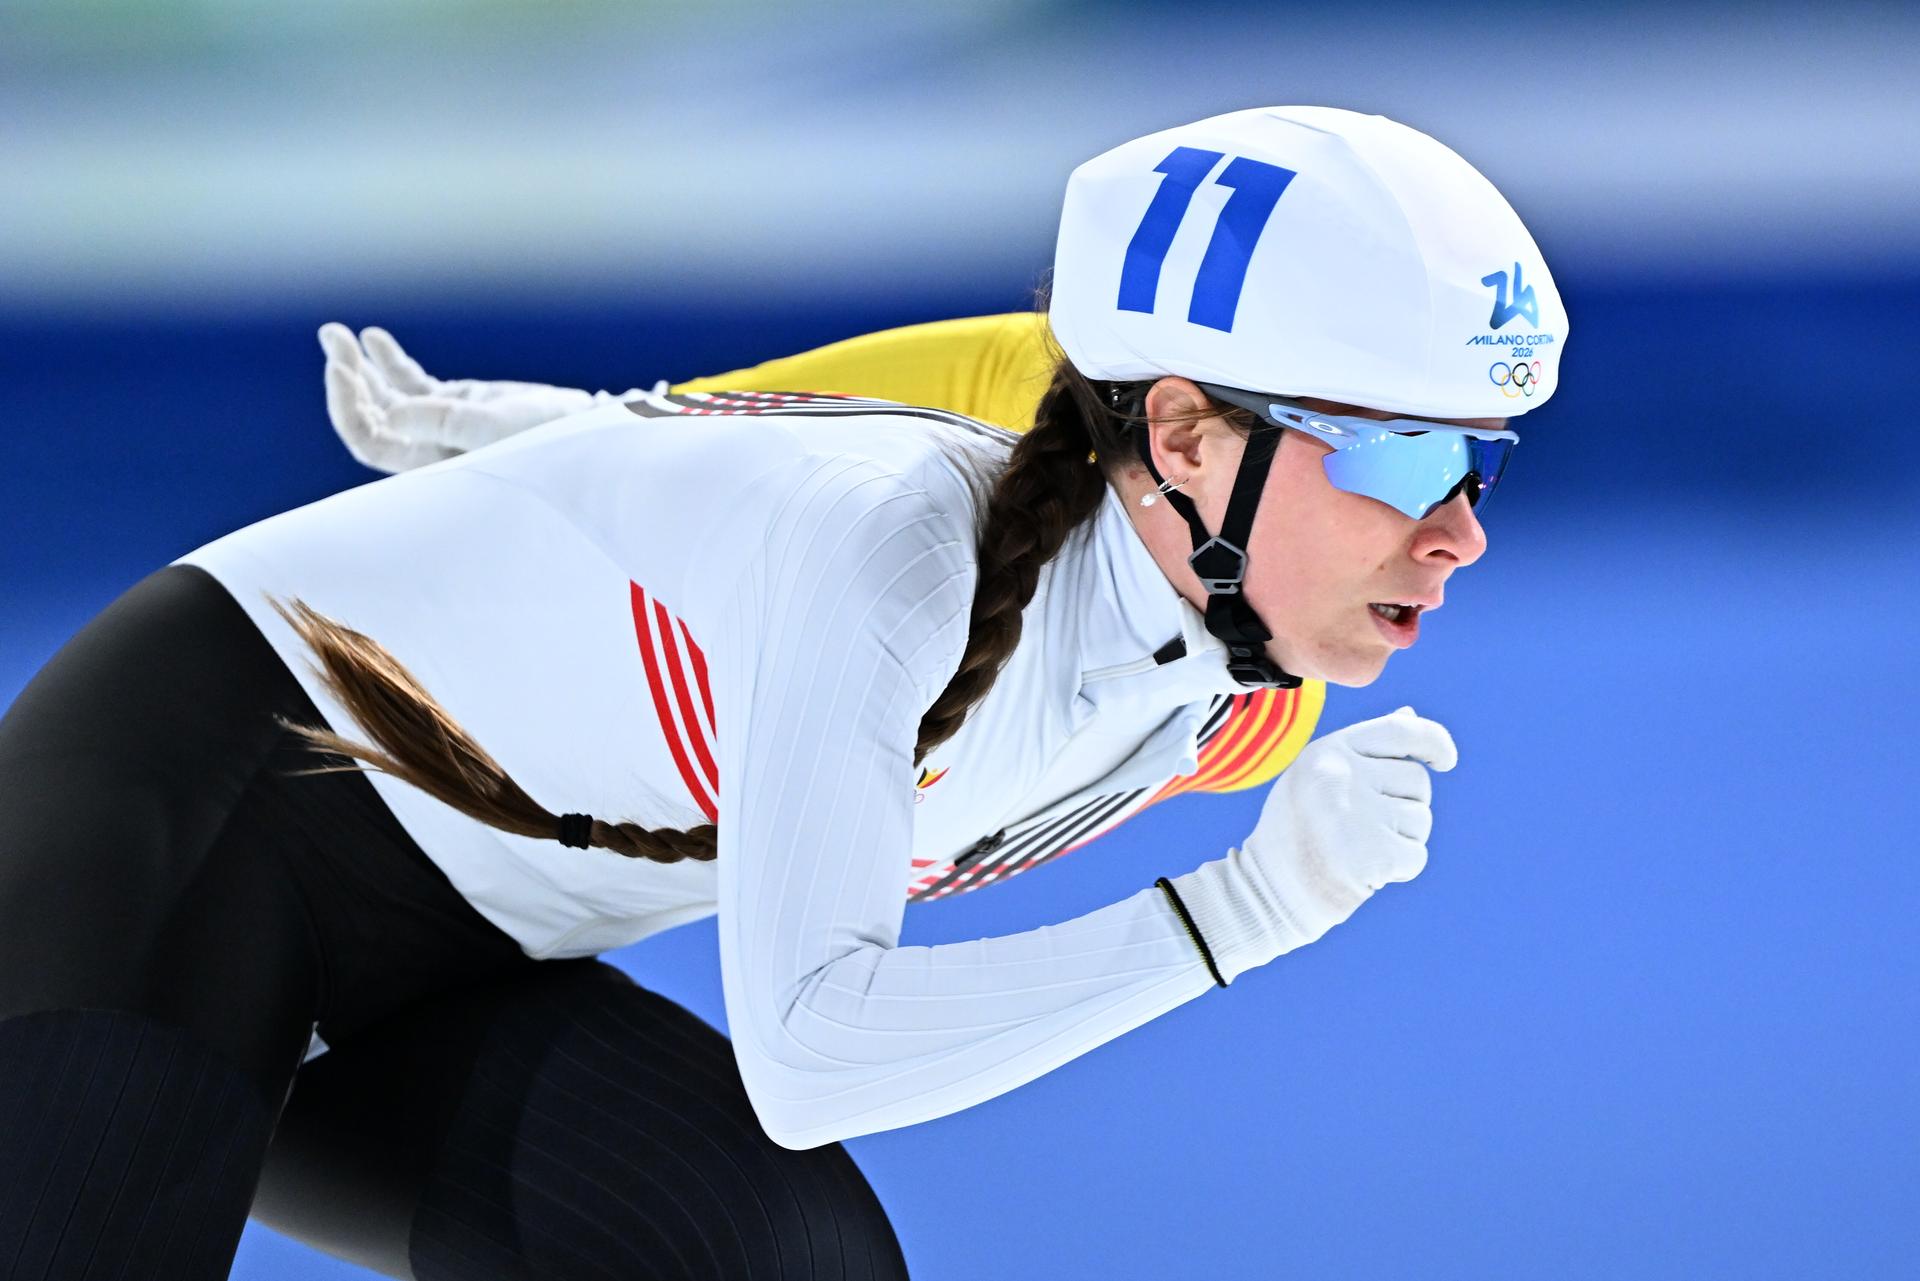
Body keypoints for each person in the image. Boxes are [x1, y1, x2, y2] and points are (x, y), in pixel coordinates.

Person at [0, 105, 1566, 1281]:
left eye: (1483, 460)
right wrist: (1247, 911)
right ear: (1187, 433)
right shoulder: (895, 543)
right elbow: (813, 1056)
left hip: (461, 959)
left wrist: (569, 441)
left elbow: (842, 414)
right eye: (1407, 453)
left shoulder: (1227, 692)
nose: (1463, 527)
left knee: (773, 1261)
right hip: (183, 824)